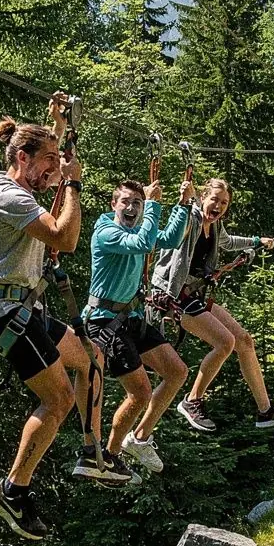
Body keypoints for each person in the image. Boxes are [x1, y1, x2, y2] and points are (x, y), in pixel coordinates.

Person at [0, 104, 116, 543]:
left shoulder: (21, 186)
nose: (54, 169)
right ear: (22, 159)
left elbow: (45, 178)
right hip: (2, 315)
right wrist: (73, 181)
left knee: (92, 357)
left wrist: (60, 128)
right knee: (59, 400)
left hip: (21, 308)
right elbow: (65, 238)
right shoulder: (8, 197)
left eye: (57, 162)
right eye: (47, 162)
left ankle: (92, 451)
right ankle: (13, 490)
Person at [150, 178, 274, 434]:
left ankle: (265, 411)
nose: (218, 206)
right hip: (174, 297)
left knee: (244, 340)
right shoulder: (192, 220)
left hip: (194, 294)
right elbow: (176, 234)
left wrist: (256, 241)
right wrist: (184, 201)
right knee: (224, 343)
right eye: (214, 200)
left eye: (224, 203)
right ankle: (192, 401)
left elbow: (228, 242)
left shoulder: (214, 225)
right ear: (202, 199)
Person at [84, 174, 195, 478]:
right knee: (140, 394)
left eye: (137, 203)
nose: (131, 208)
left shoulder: (136, 227)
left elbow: (170, 239)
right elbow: (144, 242)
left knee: (177, 371)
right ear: (113, 204)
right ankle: (109, 455)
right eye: (126, 202)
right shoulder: (107, 232)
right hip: (105, 321)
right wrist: (155, 204)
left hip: (131, 318)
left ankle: (140, 437)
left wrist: (183, 204)